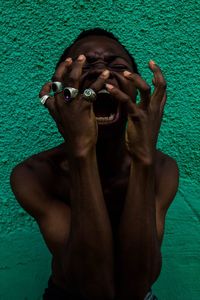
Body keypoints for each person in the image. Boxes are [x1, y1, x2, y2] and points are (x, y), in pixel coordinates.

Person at [10, 28, 179, 300]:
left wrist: (143, 158)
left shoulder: (161, 168)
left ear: (136, 90)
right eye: (82, 65)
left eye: (118, 66)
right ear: (60, 93)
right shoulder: (35, 176)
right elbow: (94, 288)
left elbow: (137, 288)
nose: (102, 72)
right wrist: (81, 151)